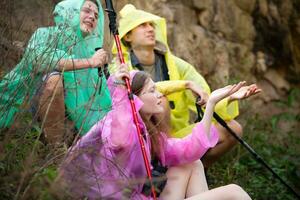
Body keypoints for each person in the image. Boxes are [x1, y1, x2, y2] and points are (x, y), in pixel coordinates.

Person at [58, 68, 253, 199]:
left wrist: (211, 104)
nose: (160, 95)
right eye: (152, 91)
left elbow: (188, 148)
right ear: (134, 100)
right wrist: (120, 92)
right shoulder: (116, 124)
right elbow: (120, 142)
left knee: (192, 163)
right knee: (235, 192)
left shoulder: (148, 133)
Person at [109, 4, 260, 167]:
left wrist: (229, 97)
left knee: (233, 129)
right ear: (127, 37)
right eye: (142, 25)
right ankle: (164, 165)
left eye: (151, 25)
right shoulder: (120, 67)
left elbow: (204, 96)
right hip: (144, 142)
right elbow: (125, 99)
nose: (150, 29)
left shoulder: (176, 65)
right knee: (162, 100)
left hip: (177, 135)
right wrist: (185, 84)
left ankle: (201, 167)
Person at [0, 0, 111, 143]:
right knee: (54, 79)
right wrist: (90, 63)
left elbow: (100, 99)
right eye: (87, 10)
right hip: (23, 108)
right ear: (71, 11)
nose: (92, 17)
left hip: (68, 120)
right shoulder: (45, 34)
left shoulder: (90, 53)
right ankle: (55, 149)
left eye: (96, 16)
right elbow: (40, 60)